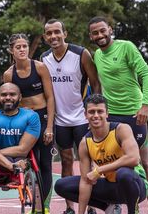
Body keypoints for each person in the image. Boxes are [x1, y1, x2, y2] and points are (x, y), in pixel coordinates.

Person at [88, 16, 148, 214]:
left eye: (103, 30)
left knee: (142, 161)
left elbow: (147, 73)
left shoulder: (126, 47)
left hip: (135, 113)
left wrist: (145, 105)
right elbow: (99, 86)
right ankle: (115, 204)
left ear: (110, 29)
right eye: (95, 33)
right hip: (112, 115)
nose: (100, 35)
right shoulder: (97, 56)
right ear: (91, 36)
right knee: (107, 161)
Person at [41, 19, 101, 214]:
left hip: (82, 118)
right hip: (60, 120)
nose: (53, 36)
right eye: (49, 33)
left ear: (65, 33)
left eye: (57, 32)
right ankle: (70, 207)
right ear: (45, 37)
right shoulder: (44, 58)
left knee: (88, 161)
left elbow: (95, 82)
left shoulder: (81, 54)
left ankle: (92, 205)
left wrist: (93, 111)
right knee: (66, 161)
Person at [54, 94, 148, 214]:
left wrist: (99, 170)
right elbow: (85, 181)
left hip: (136, 185)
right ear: (85, 114)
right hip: (111, 186)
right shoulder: (85, 143)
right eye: (92, 112)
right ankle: (108, 207)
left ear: (107, 114)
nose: (96, 115)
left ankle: (132, 211)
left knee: (124, 174)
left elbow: (134, 158)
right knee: (62, 185)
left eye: (100, 111)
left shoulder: (121, 129)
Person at [3, 33, 55, 214]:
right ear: (11, 50)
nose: (22, 50)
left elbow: (50, 97)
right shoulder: (9, 75)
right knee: (30, 163)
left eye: (24, 46)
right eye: (18, 47)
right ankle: (32, 200)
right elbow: (8, 103)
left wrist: (49, 127)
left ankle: (45, 206)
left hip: (43, 118)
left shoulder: (40, 67)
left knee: (46, 164)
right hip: (24, 122)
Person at [0, 82, 41, 174]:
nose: (8, 97)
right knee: (8, 160)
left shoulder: (31, 116)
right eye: (3, 95)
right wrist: (10, 165)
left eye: (12, 94)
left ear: (20, 97)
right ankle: (10, 168)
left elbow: (23, 150)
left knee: (21, 160)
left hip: (20, 157)